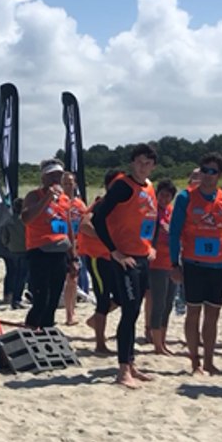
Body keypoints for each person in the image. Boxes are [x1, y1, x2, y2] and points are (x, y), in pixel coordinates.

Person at [94, 143, 160, 388]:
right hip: (124, 259)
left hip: (142, 257)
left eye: (148, 163)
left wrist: (150, 245)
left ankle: (131, 363)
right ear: (133, 162)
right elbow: (98, 217)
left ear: (153, 166)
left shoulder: (150, 187)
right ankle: (123, 370)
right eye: (140, 162)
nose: (143, 167)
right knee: (129, 311)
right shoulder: (123, 185)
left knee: (134, 311)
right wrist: (114, 251)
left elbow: (150, 220)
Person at [170, 153, 222, 375]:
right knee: (193, 313)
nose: (209, 176)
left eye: (213, 172)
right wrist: (174, 263)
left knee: (213, 316)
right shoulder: (185, 198)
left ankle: (209, 361)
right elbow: (174, 233)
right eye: (205, 171)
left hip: (217, 267)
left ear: (220, 175)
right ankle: (195, 362)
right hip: (192, 264)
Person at [20, 160, 75, 329]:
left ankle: (47, 331)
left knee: (53, 300)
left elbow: (67, 227)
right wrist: (48, 197)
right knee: (41, 298)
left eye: (58, 175)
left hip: (59, 251)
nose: (55, 179)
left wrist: (73, 257)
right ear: (43, 177)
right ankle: (30, 330)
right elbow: (26, 218)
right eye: (51, 175)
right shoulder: (34, 196)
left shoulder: (64, 199)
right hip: (40, 252)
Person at [79, 170, 121, 354]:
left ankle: (95, 321)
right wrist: (104, 239)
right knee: (102, 297)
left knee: (121, 297)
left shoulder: (122, 206)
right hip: (98, 257)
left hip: (113, 257)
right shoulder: (101, 204)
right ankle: (100, 343)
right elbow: (84, 225)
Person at [145, 179, 179, 355]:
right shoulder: (151, 212)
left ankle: (162, 342)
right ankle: (157, 345)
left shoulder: (172, 212)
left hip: (172, 264)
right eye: (162, 194)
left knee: (168, 304)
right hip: (156, 264)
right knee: (158, 304)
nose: (165, 198)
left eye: (168, 196)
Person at [63, 171, 89, 325]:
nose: (67, 185)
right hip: (60, 244)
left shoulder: (79, 204)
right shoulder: (57, 201)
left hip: (76, 246)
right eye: (65, 183)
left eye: (70, 183)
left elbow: (85, 221)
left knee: (73, 280)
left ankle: (70, 314)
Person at [0, 201, 29, 309]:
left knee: (11, 273)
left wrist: (8, 244)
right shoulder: (25, 220)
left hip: (12, 250)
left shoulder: (8, 220)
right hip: (24, 250)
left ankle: (8, 294)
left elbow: (3, 236)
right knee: (21, 276)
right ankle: (16, 299)